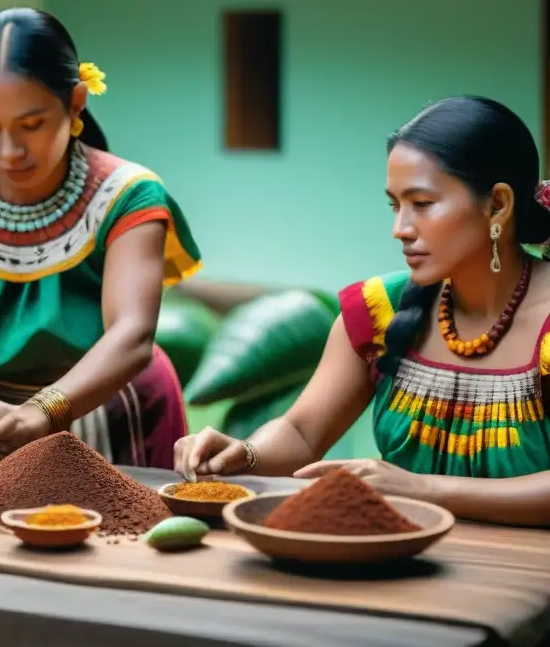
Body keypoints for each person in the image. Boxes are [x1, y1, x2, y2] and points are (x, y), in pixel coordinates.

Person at [174, 95, 550, 527]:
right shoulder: (379, 310)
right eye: (395, 205)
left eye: (423, 204)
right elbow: (301, 433)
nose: (401, 229)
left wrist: (423, 488)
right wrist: (245, 453)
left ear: (497, 204)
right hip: (398, 562)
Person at [0, 7, 202, 468]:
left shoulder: (127, 195)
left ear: (75, 103)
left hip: (114, 409)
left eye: (31, 125)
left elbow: (132, 334)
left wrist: (41, 410)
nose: (8, 150)